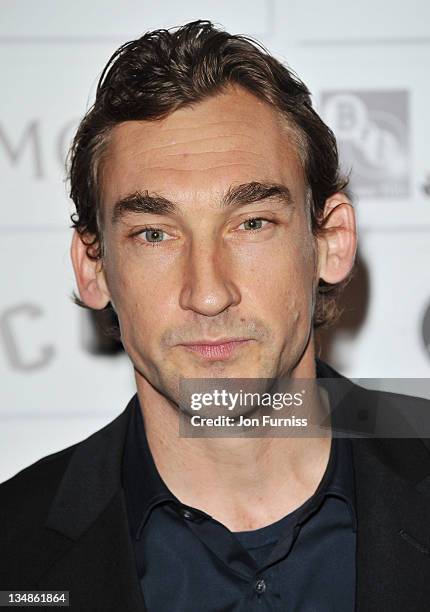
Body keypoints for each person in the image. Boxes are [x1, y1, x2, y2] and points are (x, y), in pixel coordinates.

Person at [1, 20, 430, 612]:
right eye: (154, 234)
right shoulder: (13, 547)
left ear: (330, 241)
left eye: (252, 224)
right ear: (93, 267)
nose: (207, 293)